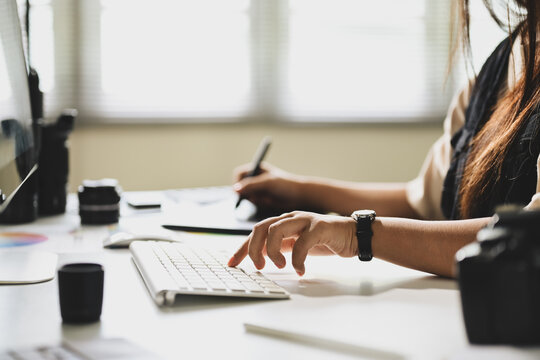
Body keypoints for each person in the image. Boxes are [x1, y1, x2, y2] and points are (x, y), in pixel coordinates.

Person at [228, 0, 540, 278]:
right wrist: (302, 192)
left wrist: (358, 235)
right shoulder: (501, 65)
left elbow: (530, 236)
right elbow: (421, 204)